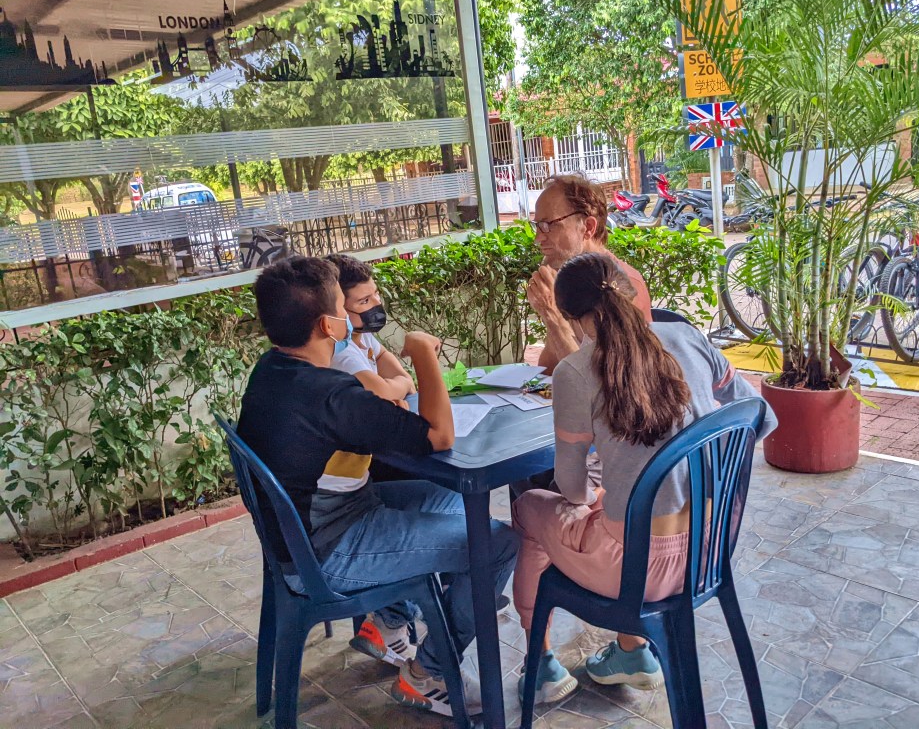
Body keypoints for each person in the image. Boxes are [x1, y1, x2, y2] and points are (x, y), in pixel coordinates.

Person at [236, 256, 518, 718]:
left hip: (311, 530)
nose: (356, 318)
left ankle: (412, 617)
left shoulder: (272, 371)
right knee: (499, 543)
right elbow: (439, 436)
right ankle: (429, 673)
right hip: (328, 552)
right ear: (330, 324)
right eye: (345, 310)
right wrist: (425, 355)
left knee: (452, 499)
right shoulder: (333, 394)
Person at [511, 253, 776, 703]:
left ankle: (542, 666)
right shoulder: (688, 337)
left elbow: (573, 489)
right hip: (709, 548)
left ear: (572, 318)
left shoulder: (575, 371)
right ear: (631, 294)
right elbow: (759, 416)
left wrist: (598, 491)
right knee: (613, 506)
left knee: (529, 508)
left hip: (637, 571)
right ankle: (631, 650)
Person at [527, 174, 653, 374]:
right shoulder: (569, 283)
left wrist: (552, 314)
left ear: (588, 227)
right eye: (537, 226)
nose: (538, 238)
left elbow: (607, 386)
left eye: (548, 225)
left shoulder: (622, 286)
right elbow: (549, 369)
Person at [325, 253, 414, 402]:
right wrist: (404, 383)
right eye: (364, 301)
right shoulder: (339, 350)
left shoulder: (361, 334)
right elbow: (384, 393)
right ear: (338, 307)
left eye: (376, 293)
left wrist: (400, 385)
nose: (377, 303)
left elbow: (381, 356)